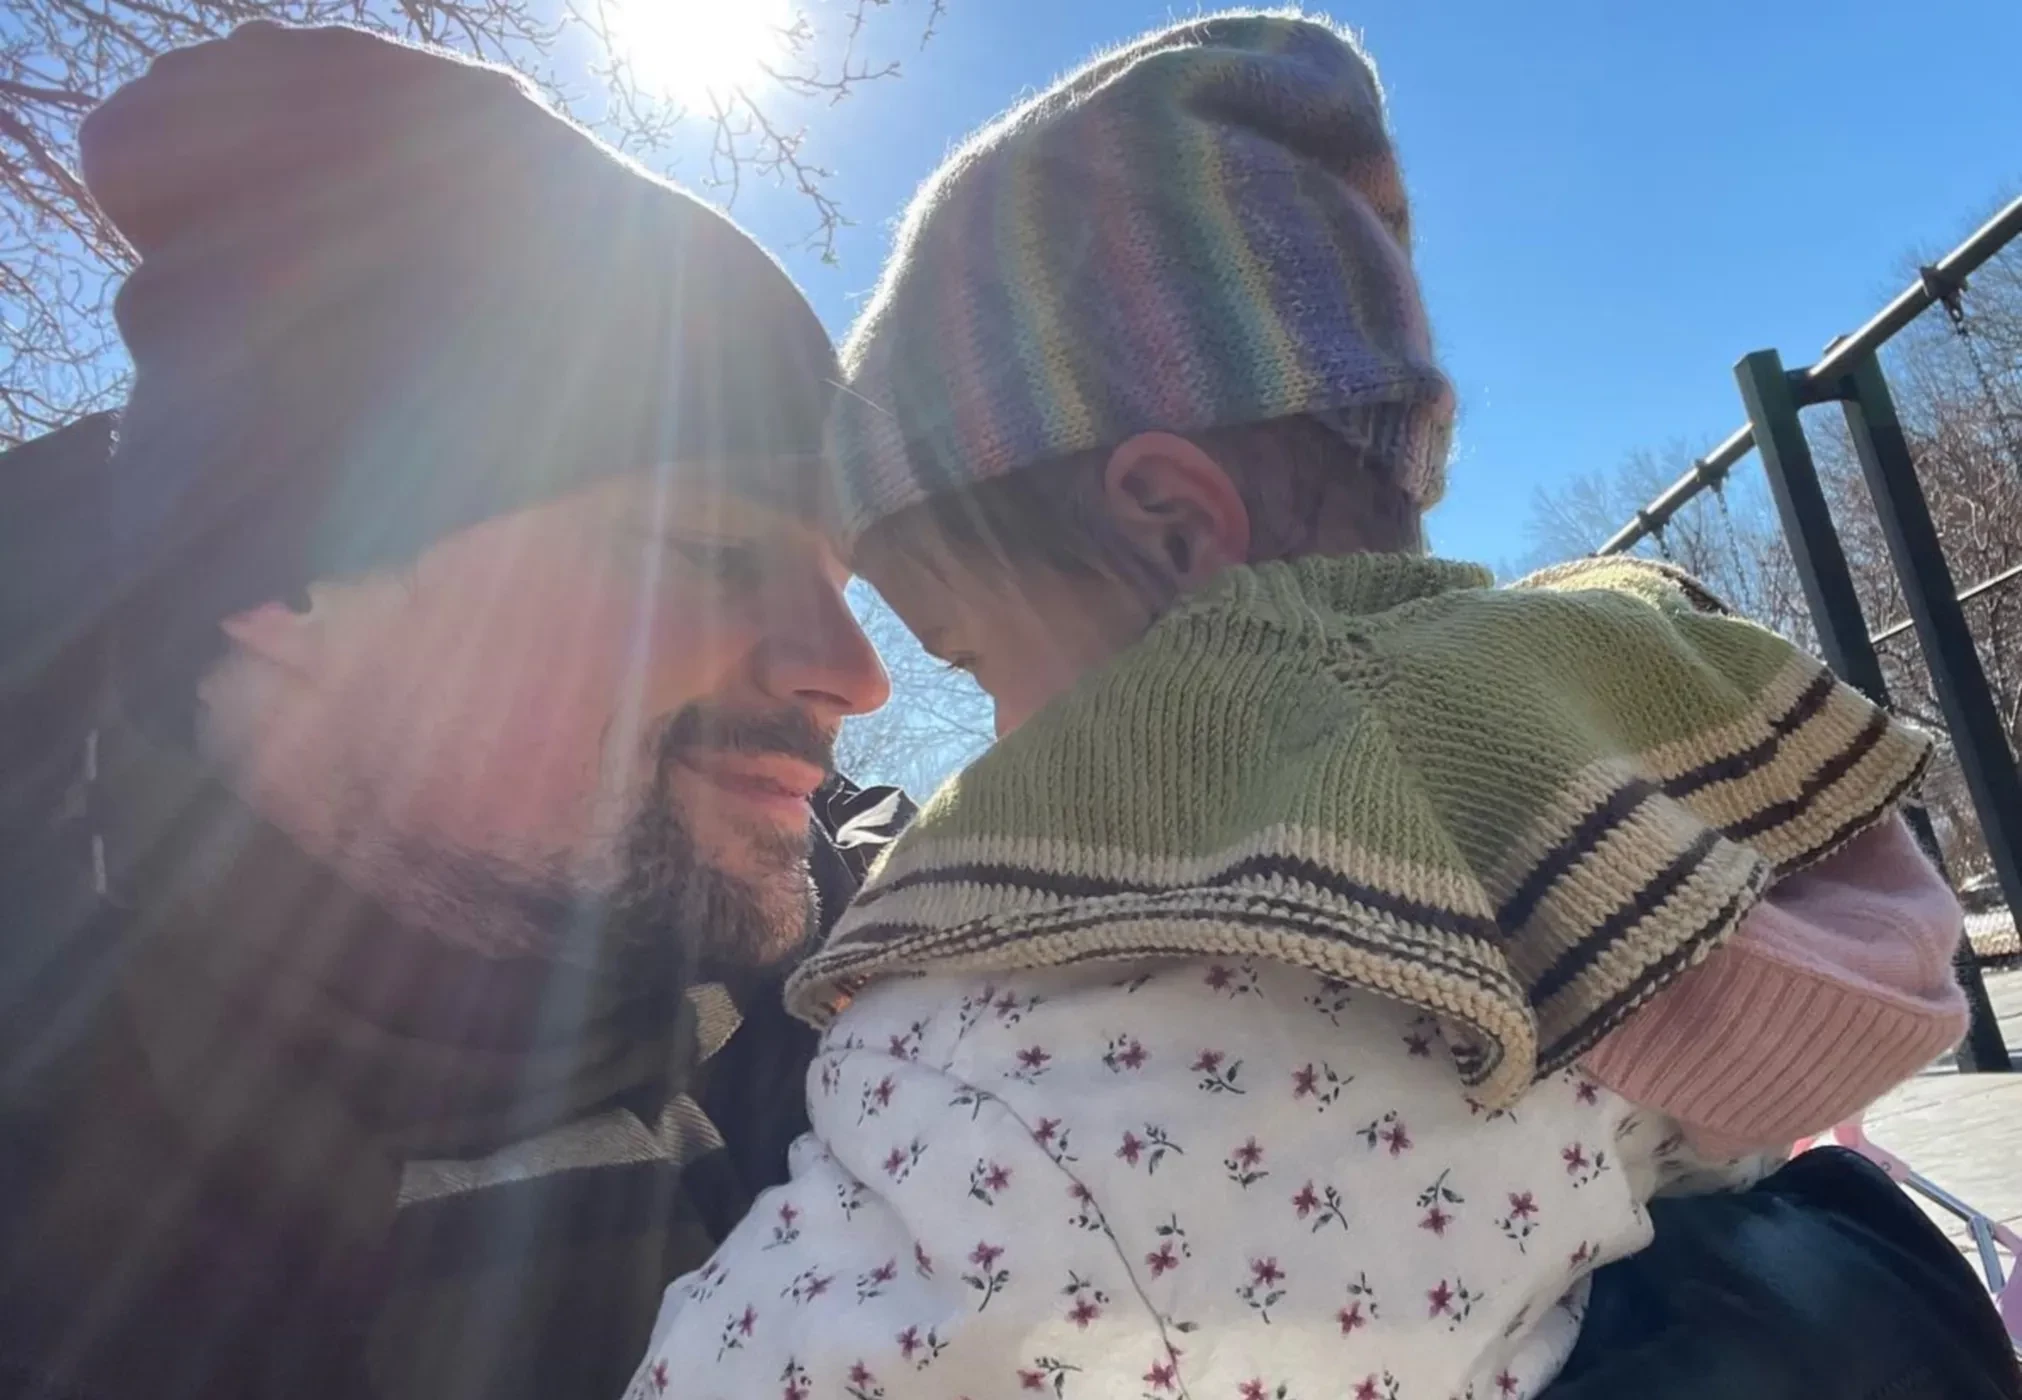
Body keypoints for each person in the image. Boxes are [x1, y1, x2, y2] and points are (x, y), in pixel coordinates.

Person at [624, 14, 2021, 1400]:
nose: (994, 738)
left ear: (1174, 528)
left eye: (980, 660)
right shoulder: (1617, 860)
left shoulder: (1081, 1040)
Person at [0, 22, 902, 1400]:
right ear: (285, 579)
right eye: (716, 549)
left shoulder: (900, 1026)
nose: (854, 672)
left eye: (842, 580)